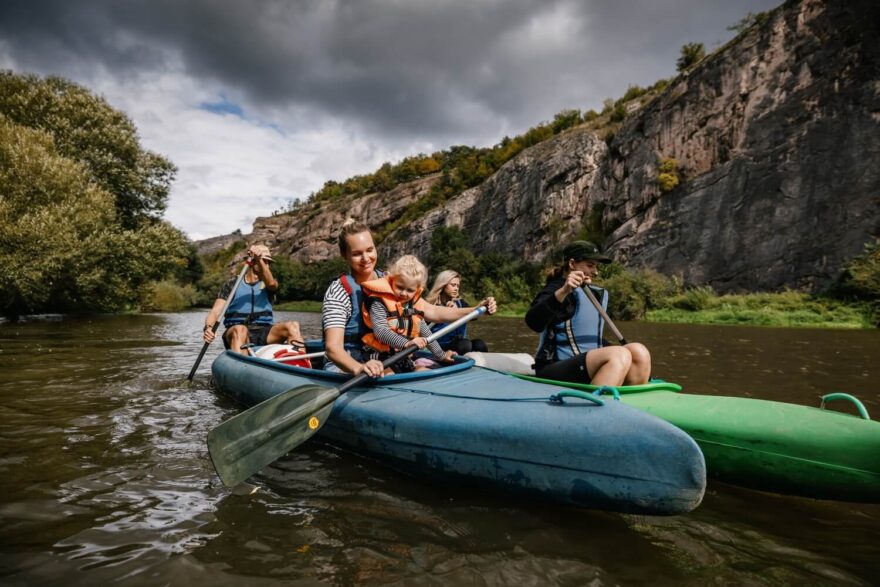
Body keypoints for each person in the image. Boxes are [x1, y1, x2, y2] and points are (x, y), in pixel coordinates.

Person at [321, 219, 497, 377]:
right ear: (345, 256)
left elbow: (431, 311)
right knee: (389, 375)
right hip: (347, 363)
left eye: (370, 250)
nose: (366, 258)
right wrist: (358, 368)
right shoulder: (339, 291)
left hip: (387, 357)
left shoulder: (393, 282)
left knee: (426, 373)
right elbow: (333, 349)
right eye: (357, 253)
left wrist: (475, 310)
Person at [525, 240, 651, 387]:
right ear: (572, 264)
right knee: (618, 355)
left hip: (583, 364)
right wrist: (564, 291)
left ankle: (629, 403)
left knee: (639, 352)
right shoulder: (556, 288)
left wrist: (624, 355)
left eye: (596, 266)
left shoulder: (590, 293)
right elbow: (533, 322)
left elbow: (588, 338)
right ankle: (594, 405)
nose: (595, 271)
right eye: (590, 265)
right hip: (553, 367)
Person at [361, 255, 455, 374]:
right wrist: (406, 343)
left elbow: (426, 335)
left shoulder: (413, 306)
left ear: (417, 290)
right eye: (400, 287)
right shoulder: (379, 302)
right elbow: (381, 331)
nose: (404, 293)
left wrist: (441, 355)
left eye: (410, 290)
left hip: (401, 356)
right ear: (392, 281)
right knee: (389, 375)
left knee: (423, 372)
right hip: (377, 356)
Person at [202, 244, 303, 355]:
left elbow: (271, 284)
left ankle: (302, 365)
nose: (267, 266)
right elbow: (215, 311)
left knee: (292, 326)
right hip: (236, 331)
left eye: (269, 263)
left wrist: (259, 259)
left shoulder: (270, 283)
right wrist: (208, 327)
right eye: (265, 261)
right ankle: (241, 367)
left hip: (265, 332)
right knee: (240, 329)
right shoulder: (232, 284)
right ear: (252, 262)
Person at [425, 270, 489, 355]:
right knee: (464, 344)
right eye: (453, 285)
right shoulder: (430, 305)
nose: (456, 288)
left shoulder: (461, 303)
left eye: (458, 286)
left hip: (460, 343)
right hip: (439, 347)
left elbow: (474, 316)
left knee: (479, 344)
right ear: (443, 285)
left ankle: (478, 366)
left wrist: (486, 306)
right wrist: (446, 312)